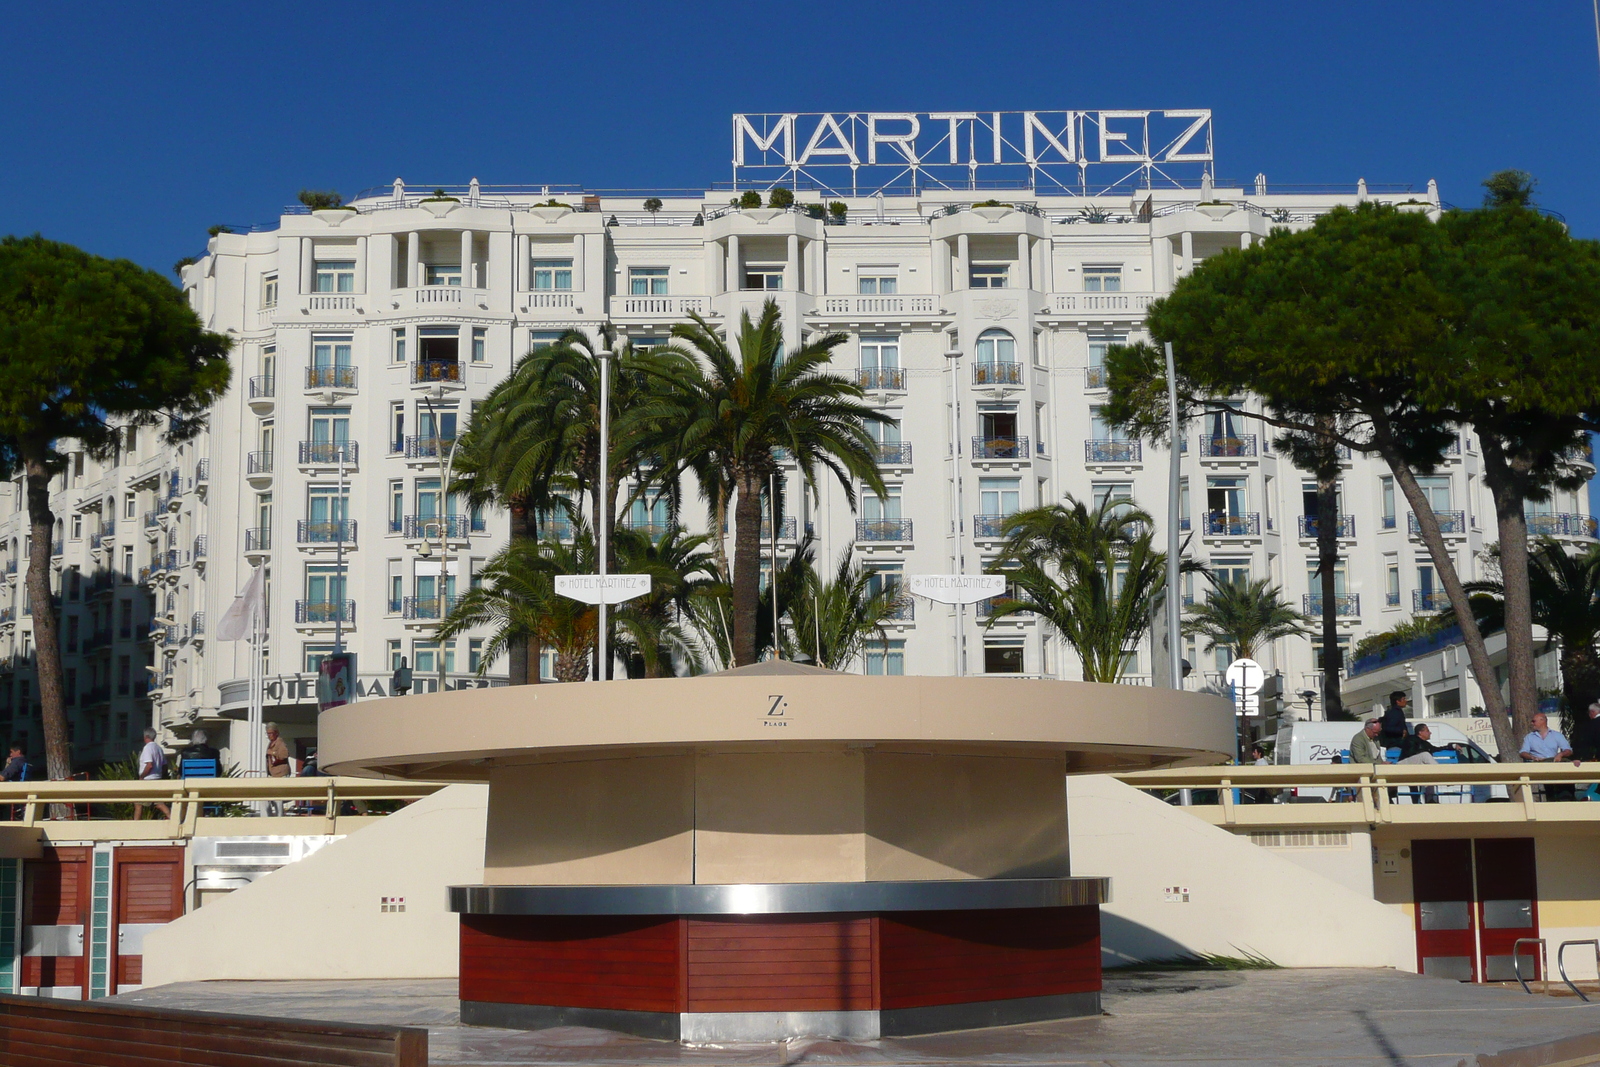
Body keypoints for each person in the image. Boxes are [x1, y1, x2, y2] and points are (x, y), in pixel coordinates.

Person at [1521, 712, 1575, 801]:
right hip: (1541, 766)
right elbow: (1523, 752)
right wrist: (1532, 757)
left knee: (1564, 785)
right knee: (1550, 789)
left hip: (1555, 765)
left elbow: (1568, 750)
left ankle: (1567, 799)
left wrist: (1560, 754)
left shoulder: (1557, 735)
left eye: (1534, 721)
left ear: (1542, 721)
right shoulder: (1529, 737)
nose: (1532, 723)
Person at [131, 728, 171, 820]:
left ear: (146, 736)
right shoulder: (159, 748)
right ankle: (174, 819)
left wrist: (142, 776)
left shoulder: (148, 748)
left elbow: (149, 765)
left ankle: (135, 826)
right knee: (160, 804)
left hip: (148, 780)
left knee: (138, 804)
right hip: (157, 779)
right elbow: (165, 766)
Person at [1398, 723, 1443, 803]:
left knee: (1429, 772)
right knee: (1425, 755)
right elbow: (1410, 753)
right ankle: (1444, 776)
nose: (1430, 733)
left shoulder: (1426, 744)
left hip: (1414, 767)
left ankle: (1430, 800)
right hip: (1403, 764)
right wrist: (1424, 751)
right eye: (1427, 731)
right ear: (1420, 732)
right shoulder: (1411, 739)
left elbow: (1437, 749)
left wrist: (1452, 746)